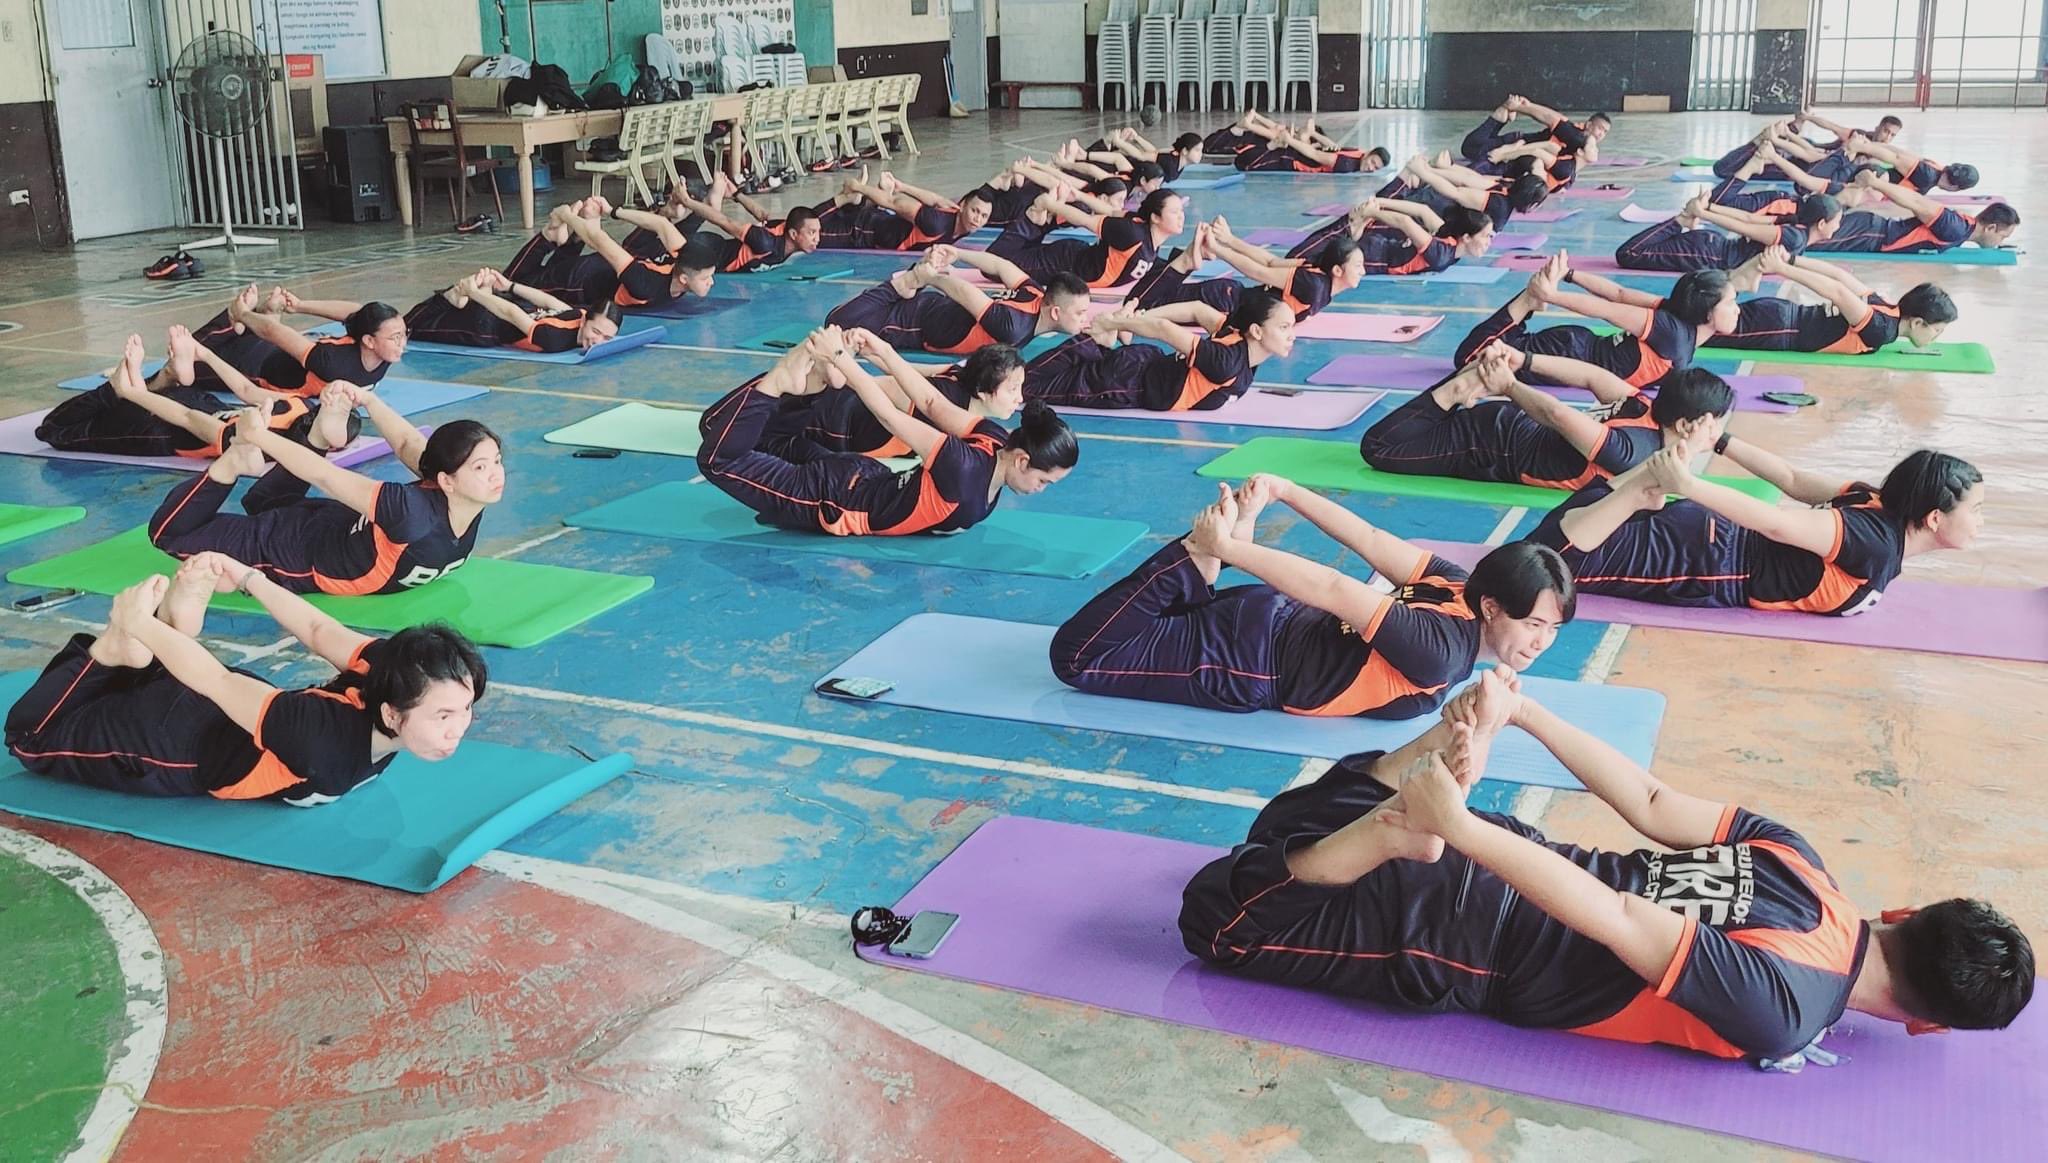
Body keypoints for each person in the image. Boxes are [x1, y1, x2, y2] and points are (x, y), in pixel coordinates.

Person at [1180, 666, 2033, 1064]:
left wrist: (1527, 715)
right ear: (1928, 1023)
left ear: (1905, 911)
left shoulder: (1804, 863)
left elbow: (1650, 801)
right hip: (1458, 938)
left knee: (1282, 826)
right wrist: (1455, 828)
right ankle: (1389, 834)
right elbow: (1618, 918)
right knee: (1218, 926)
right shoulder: (1787, 1011)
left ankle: (1404, 791)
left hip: (1514, 842)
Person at [1051, 478, 1575, 718]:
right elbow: (1334, 586)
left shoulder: (1459, 586)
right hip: (1245, 662)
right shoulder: (1441, 650)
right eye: (1533, 625)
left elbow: (1370, 540)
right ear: (1492, 608)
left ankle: (1203, 567)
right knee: (1076, 659)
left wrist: (1288, 491)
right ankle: (1198, 556)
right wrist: (1229, 545)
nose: (1541, 642)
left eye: (1552, 629)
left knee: (1149, 623)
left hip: (1263, 616)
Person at [5, 557, 487, 804]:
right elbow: (212, 679)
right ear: (391, 714)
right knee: (29, 739)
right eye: (443, 716)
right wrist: (135, 622)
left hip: (242, 706)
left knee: (155, 674)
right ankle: (118, 647)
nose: (458, 729)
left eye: (464, 709)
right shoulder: (322, 739)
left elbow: (318, 630)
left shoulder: (398, 668)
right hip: (175, 744)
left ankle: (156, 645)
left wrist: (249, 579)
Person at [697, 326, 1077, 536]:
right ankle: (778, 382)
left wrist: (883, 352)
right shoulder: (964, 470)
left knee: (779, 443)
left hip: (860, 474)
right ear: (1022, 460)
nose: (1040, 489)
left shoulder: (995, 439)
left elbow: (932, 403)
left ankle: (805, 391)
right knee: (718, 460)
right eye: (1044, 480)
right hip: (835, 499)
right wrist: (842, 360)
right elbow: (890, 415)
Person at [1527, 444, 1983, 616]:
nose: (1981, 521)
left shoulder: (1875, 501)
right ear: (1934, 517)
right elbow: (1778, 523)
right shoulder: (1874, 543)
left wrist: (1722, 442)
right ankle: (1643, 487)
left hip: (1709, 537)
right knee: (1552, 567)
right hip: (1710, 561)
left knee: (1563, 538)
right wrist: (1691, 484)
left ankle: (1641, 487)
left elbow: (1791, 478)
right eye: (1976, 509)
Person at [148, 401, 503, 597]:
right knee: (168, 535)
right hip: (290, 550)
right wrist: (257, 436)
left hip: (330, 526)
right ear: (446, 481)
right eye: (481, 467)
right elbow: (325, 477)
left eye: (497, 462)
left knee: (262, 504)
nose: (495, 475)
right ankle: (233, 462)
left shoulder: (465, 494)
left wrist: (368, 400)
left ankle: (315, 436)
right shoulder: (411, 511)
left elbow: (412, 446)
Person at [1359, 342, 1735, 491]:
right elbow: (1556, 413)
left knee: (1411, 437)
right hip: (1487, 448)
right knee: (1379, 449)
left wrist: (1525, 360)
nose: (1717, 430)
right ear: (1685, 424)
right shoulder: (1631, 453)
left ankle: (1460, 391)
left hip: (1505, 429)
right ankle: (1454, 391)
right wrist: (1509, 383)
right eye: (1714, 421)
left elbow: (1591, 376)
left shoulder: (1643, 406)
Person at [39, 330, 359, 462]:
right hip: (172, 422)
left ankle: (163, 380)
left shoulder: (295, 409)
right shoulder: (278, 437)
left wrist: (133, 393)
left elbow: (233, 396)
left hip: (185, 412)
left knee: (52, 429)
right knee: (56, 428)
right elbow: (241, 392)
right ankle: (142, 387)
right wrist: (202, 353)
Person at [1456, 255, 1739, 389]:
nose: (1737, 310)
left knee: (1500, 347)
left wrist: (1570, 274)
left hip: (1574, 349)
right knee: (1470, 357)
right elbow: (1607, 308)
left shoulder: (1677, 320)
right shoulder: (1671, 333)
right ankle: (1528, 300)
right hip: (1566, 354)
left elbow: (1620, 293)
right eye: (1730, 303)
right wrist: (1552, 296)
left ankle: (1529, 302)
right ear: (1707, 312)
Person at [1021, 287, 1297, 412]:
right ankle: (1095, 340)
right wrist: (1117, 322)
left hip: (1139, 364)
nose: (1291, 336)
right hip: (1124, 384)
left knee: (1049, 375)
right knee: (1026, 387)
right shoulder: (1226, 361)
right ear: (1256, 331)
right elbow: (1164, 329)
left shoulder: (1235, 337)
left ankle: (1099, 342)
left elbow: (1197, 309)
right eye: (1284, 327)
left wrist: (1136, 318)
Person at [765, 343, 1030, 462]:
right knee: (763, 437)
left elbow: (908, 372)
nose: (1020, 398)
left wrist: (873, 354)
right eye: (1012, 389)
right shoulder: (944, 399)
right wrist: (841, 364)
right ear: (983, 392)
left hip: (847, 421)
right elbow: (881, 385)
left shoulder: (961, 375)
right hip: (836, 423)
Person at [824, 245, 1092, 356]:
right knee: (836, 323)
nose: (1084, 318)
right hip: (911, 324)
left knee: (843, 319)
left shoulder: (1035, 294)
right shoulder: (1014, 326)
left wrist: (959, 252)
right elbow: (967, 293)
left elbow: (1001, 266)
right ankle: (904, 283)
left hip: (931, 309)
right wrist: (930, 277)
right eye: (1079, 313)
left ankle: (903, 286)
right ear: (1055, 312)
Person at [1704, 246, 1957, 355]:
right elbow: (1837, 290)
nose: (1936, 337)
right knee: (1701, 330)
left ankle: (1738, 282)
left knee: (1703, 317)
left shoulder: (1887, 307)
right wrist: (1782, 267)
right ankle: (1735, 282)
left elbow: (1838, 274)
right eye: (1937, 331)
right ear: (1917, 322)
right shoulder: (1881, 329)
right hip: (1777, 328)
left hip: (1779, 316)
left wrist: (1791, 259)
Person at [187, 285, 404, 398]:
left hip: (272, 350)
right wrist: (242, 313)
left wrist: (300, 305)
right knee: (188, 358)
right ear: (369, 341)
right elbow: (274, 332)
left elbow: (358, 312)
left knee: (250, 334)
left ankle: (257, 319)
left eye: (404, 334)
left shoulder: (384, 350)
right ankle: (234, 319)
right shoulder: (332, 363)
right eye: (396, 337)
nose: (402, 343)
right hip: (250, 366)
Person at [1125, 221, 1364, 321]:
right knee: (1146, 306)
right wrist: (1219, 248)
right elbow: (1259, 272)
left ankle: (1184, 260)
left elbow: (1271, 261)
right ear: (1337, 270)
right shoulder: (1313, 285)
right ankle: (1187, 258)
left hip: (1226, 298)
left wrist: (1230, 239)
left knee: (1154, 303)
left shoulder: (1319, 280)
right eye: (1357, 265)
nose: (1363, 271)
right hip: (1223, 304)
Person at [988, 186, 1185, 290]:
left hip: (1075, 257)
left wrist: (1079, 196)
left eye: (1181, 211)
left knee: (1011, 258)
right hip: (1062, 263)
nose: (1181, 217)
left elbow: (1112, 211)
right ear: (1155, 217)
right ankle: (1034, 218)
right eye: (1175, 212)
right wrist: (1049, 204)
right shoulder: (1132, 233)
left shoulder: (1149, 239)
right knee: (992, 265)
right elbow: (1085, 220)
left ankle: (1042, 223)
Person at [546, 198, 720, 311]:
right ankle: (559, 225)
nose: (711, 282)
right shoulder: (646, 286)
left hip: (605, 267)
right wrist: (566, 216)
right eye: (705, 278)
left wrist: (613, 211)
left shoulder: (685, 256)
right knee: (529, 282)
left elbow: (661, 224)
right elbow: (599, 240)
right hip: (578, 283)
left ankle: (569, 231)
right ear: (684, 279)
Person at [403, 267, 622, 353]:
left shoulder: (569, 328)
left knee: (425, 317)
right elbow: (546, 301)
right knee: (409, 326)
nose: (598, 341)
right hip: (483, 327)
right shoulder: (556, 336)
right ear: (584, 320)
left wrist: (479, 295)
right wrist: (509, 286)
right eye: (596, 332)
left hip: (495, 316)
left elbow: (515, 312)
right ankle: (456, 298)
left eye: (607, 338)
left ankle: (455, 298)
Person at [1615, 191, 1840, 271]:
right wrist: (1702, 213)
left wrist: (1710, 207)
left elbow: (1749, 217)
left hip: (1711, 248)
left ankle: (1684, 222)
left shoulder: (1796, 233)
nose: (1838, 227)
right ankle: (1681, 220)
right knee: (1628, 254)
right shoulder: (1793, 237)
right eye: (1836, 222)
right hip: (1707, 254)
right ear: (1821, 223)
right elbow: (1744, 226)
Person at [1809, 171, 2019, 255]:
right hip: (1870, 234)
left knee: (1805, 231)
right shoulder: (1955, 228)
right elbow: (1917, 202)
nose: (2000, 241)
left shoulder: (1963, 229)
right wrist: (1875, 183)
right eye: (2003, 236)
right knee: (1804, 239)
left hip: (1871, 231)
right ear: (1991, 228)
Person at [1296, 195, 1493, 275]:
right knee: (1306, 262)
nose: (1488, 243)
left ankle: (1354, 230)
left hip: (1377, 246)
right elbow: (1404, 222)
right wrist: (1372, 211)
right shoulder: (1441, 253)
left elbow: (1423, 210)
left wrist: (1381, 201)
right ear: (1466, 237)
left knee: (1313, 256)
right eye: (1485, 236)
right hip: (1373, 258)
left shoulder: (1450, 239)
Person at [670, 172, 824, 273]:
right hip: (707, 251)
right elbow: (725, 222)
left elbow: (763, 215)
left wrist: (736, 194)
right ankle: (702, 205)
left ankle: (705, 205)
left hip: (712, 249)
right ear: (794, 234)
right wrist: (687, 201)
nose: (817, 239)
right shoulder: (765, 242)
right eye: (812, 233)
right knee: (666, 244)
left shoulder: (785, 230)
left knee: (671, 238)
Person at [809, 169, 995, 251]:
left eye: (984, 216)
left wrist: (902, 186)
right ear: (963, 206)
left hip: (877, 220)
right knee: (811, 231)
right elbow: (892, 202)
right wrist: (858, 186)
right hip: (861, 231)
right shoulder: (934, 223)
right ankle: (849, 198)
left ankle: (856, 202)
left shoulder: (957, 214)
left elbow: (936, 199)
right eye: (975, 211)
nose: (977, 219)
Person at [1461, 95, 1611, 190]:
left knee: (1477, 150)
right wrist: (1521, 107)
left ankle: (1502, 119)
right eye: (1600, 128)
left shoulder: (1583, 143)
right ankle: (1499, 116)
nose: (1601, 134)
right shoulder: (1574, 135)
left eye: (1605, 132)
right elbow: (1551, 118)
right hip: (1518, 143)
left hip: (1520, 156)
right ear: (1589, 125)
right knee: (1470, 148)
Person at [1389, 152, 1550, 230]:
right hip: (1439, 208)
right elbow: (1468, 179)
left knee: (1397, 195)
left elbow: (1456, 191)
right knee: (1412, 181)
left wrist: (1425, 172)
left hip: (1438, 216)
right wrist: (1430, 170)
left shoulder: (1499, 204)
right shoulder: (1503, 193)